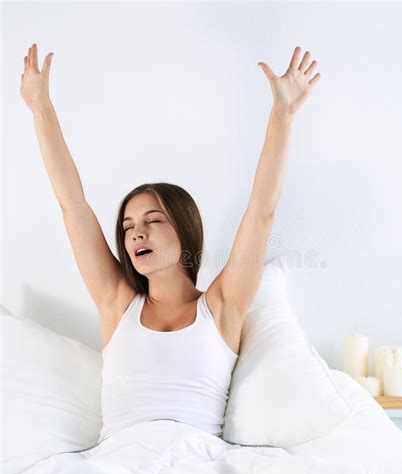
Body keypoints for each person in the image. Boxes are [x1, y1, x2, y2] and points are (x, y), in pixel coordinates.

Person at [20, 43, 321, 440]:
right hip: (118, 468)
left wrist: (283, 115)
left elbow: (261, 212)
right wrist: (41, 108)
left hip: (196, 465)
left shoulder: (222, 307)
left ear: (183, 230)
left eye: (152, 220)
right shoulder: (117, 303)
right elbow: (72, 204)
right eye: (127, 227)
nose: (135, 234)